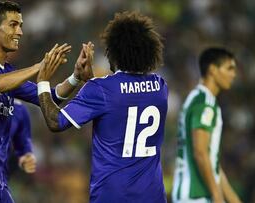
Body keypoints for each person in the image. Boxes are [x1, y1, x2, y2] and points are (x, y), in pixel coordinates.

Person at [0, 1, 92, 202]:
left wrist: (76, 77)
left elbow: (50, 95)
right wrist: (38, 67)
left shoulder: (9, 72)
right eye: (13, 24)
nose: (20, 31)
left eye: (20, 25)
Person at [36, 11, 167, 202]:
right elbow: (122, 100)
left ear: (114, 53)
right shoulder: (160, 86)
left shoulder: (101, 89)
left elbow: (56, 122)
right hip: (152, 194)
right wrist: (90, 82)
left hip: (112, 195)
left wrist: (43, 82)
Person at [172, 47, 242, 203]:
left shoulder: (197, 98)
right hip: (197, 195)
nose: (233, 74)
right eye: (229, 68)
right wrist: (217, 195)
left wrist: (232, 198)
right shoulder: (205, 103)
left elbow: (211, 160)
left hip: (188, 192)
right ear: (212, 69)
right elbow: (200, 152)